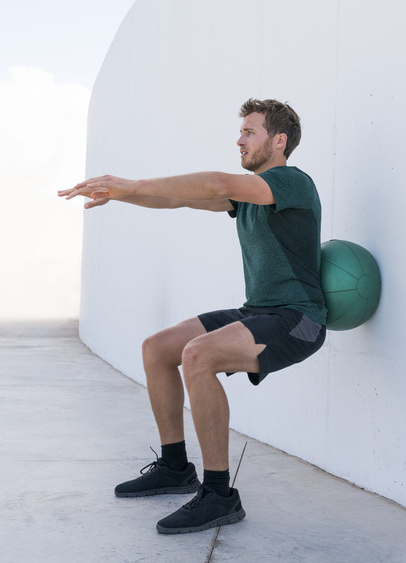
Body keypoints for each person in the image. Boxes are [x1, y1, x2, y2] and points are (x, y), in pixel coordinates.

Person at [59, 99, 327, 534]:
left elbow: (217, 181)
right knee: (158, 348)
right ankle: (174, 467)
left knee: (198, 355)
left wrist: (132, 181)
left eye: (250, 132)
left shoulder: (291, 183)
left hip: (299, 318)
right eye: (240, 131)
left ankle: (220, 494)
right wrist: (122, 192)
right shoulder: (248, 198)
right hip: (259, 311)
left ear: (279, 141)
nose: (239, 139)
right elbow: (178, 199)